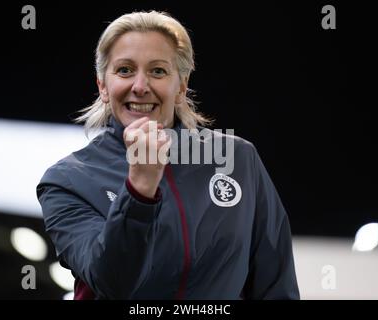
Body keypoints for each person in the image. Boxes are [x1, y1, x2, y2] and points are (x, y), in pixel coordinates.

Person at [36, 10, 300, 300]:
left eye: (158, 71)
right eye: (124, 70)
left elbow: (277, 286)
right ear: (103, 86)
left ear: (182, 85)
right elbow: (112, 282)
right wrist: (139, 192)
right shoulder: (67, 180)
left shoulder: (237, 159)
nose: (140, 86)